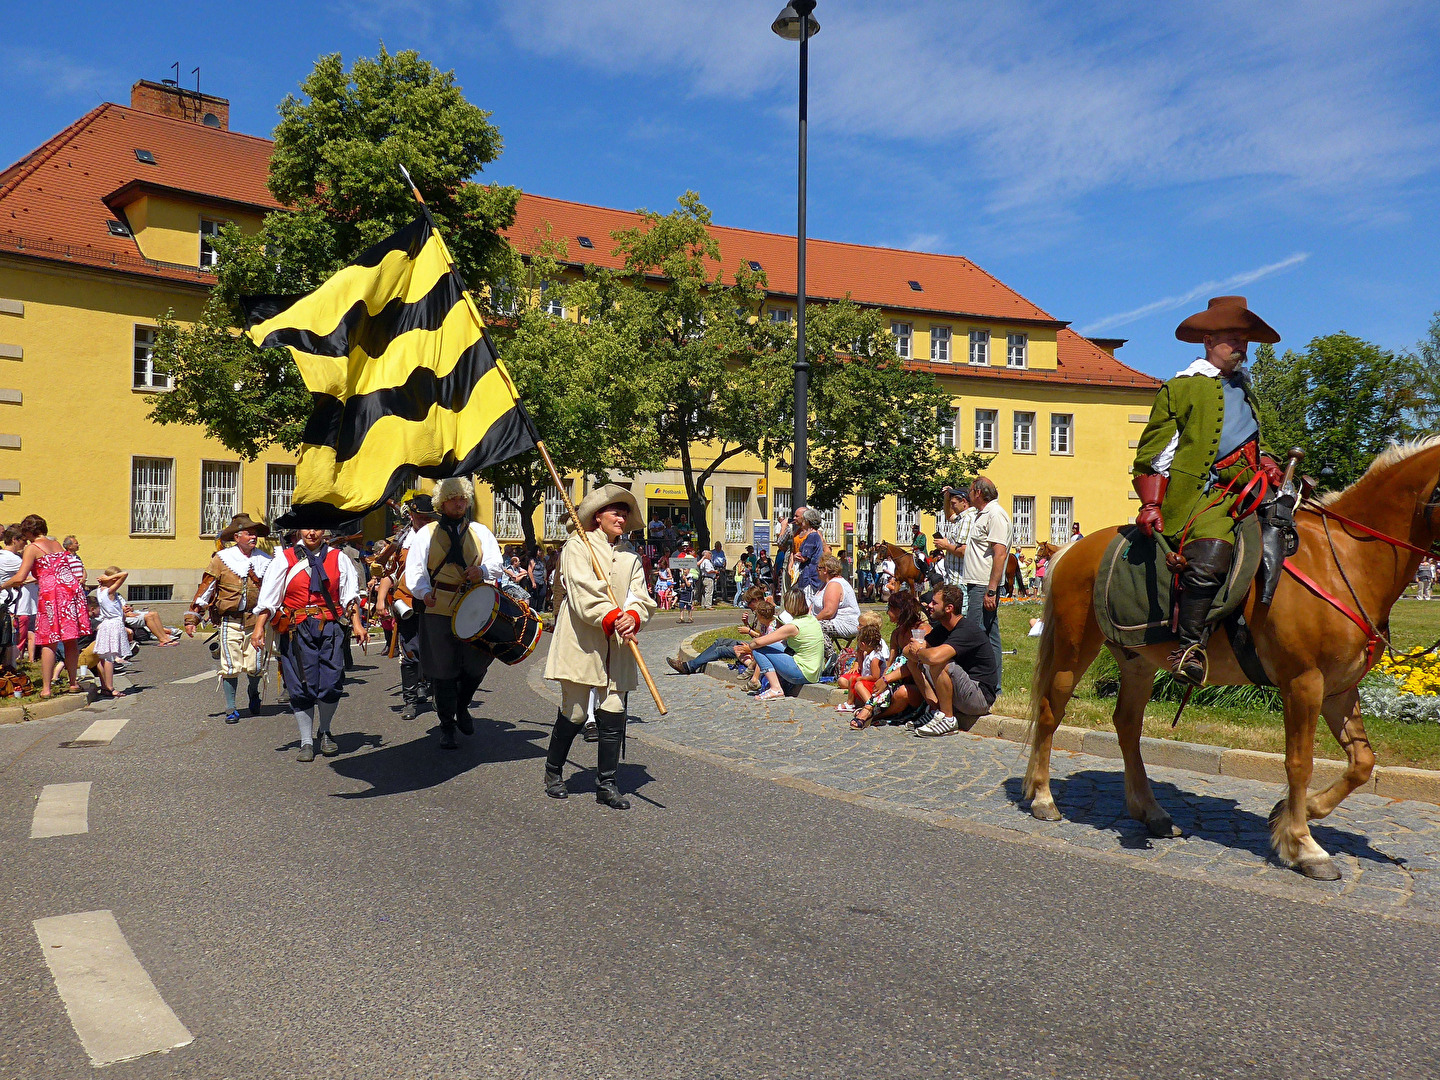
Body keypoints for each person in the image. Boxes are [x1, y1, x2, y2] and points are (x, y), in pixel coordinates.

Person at [1132, 295, 1285, 685]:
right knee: (1213, 551)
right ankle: (1188, 648)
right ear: (1208, 341)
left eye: (1244, 340)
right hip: (1208, 493)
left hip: (1254, 487)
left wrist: (1265, 460)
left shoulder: (1245, 389)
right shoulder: (1181, 387)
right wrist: (1151, 502)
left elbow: (1247, 441)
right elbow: (1154, 452)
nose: (1240, 347)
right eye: (1232, 338)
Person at [542, 484, 656, 809]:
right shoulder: (576, 546)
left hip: (618, 643)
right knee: (576, 712)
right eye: (614, 511)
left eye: (624, 511)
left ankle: (607, 784)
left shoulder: (631, 555)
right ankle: (553, 772)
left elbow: (640, 595)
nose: (621, 516)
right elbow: (582, 592)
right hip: (581, 640)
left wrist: (633, 616)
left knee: (614, 710)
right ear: (597, 516)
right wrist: (610, 616)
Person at [403, 476, 504, 750]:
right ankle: (447, 725)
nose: (459, 504)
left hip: (474, 604)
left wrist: (481, 571)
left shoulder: (480, 532)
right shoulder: (427, 533)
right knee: (444, 669)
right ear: (442, 502)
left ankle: (462, 706)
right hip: (440, 604)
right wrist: (424, 593)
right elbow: (414, 571)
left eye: (463, 498)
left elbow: (496, 563)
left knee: (476, 663)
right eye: (453, 499)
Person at [253, 525, 365, 762]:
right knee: (301, 684)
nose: (311, 533)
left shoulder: (338, 557)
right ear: (299, 532)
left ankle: (325, 731)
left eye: (317, 529)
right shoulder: (285, 558)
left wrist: (357, 624)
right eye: (306, 529)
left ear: (324, 531)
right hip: (297, 628)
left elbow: (349, 595)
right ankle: (306, 740)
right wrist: (259, 627)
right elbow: (269, 597)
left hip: (330, 627)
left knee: (332, 682)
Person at [184, 513, 273, 723]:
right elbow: (205, 590)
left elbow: (275, 592)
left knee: (255, 667)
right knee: (230, 667)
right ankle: (231, 707)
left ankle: (254, 694)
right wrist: (192, 619)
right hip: (229, 620)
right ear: (237, 537)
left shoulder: (267, 561)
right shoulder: (221, 560)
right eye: (249, 533)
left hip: (256, 621)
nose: (253, 537)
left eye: (255, 534)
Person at [0, 515, 90, 698]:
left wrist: (2, 585)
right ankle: (73, 683)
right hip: (71, 590)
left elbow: (20, 576)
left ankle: (46, 689)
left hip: (52, 595)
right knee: (70, 639)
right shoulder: (56, 543)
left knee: (49, 641)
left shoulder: (32, 548)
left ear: (28, 531)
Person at [374, 493, 437, 720]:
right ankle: (410, 701)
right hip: (407, 602)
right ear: (411, 516)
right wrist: (381, 600)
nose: (426, 522)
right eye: (421, 518)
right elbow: (390, 575)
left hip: (436, 604)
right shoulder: (401, 544)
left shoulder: (440, 539)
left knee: (436, 651)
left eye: (429, 518)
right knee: (410, 653)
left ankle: (436, 694)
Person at [910, 584, 1001, 736]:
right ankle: (934, 709)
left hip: (979, 698)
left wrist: (919, 651)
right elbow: (908, 652)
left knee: (938, 663)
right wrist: (917, 651)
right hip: (963, 693)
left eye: (935, 603)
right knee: (917, 662)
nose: (929, 605)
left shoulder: (966, 630)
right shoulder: (943, 628)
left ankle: (948, 719)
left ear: (949, 608)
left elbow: (933, 657)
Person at [848, 592, 933, 730]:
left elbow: (915, 664)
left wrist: (886, 679)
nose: (887, 612)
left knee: (902, 682)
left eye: (890, 608)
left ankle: (872, 713)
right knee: (893, 681)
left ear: (900, 611)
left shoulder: (923, 630)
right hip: (896, 684)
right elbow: (890, 664)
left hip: (920, 684)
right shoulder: (897, 634)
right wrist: (884, 678)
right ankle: (871, 711)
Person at [734, 590, 824, 701]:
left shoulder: (792, 626)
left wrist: (751, 646)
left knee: (758, 649)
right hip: (815, 672)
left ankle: (775, 688)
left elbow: (759, 642)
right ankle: (757, 678)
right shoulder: (812, 620)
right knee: (769, 646)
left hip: (803, 673)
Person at [961, 477, 1011, 678]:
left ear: (978, 493)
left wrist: (991, 589)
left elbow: (1000, 553)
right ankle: (992, 683)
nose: (968, 494)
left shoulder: (996, 515)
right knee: (990, 636)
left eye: (970, 490)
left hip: (983, 585)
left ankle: (979, 680)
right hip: (978, 583)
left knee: (975, 633)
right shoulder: (982, 514)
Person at [809, 554, 861, 651]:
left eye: (818, 568)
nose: (816, 571)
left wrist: (811, 621)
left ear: (825, 570)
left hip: (844, 623)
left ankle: (831, 660)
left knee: (815, 628)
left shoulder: (834, 584)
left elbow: (829, 612)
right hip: (831, 622)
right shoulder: (825, 583)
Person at [92, 566, 130, 699]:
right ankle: (110, 687)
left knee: (103, 657)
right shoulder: (110, 591)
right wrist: (110, 578)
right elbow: (125, 574)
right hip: (113, 624)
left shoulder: (99, 590)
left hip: (105, 624)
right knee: (109, 658)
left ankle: (104, 686)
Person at [0, 524, 33, 667]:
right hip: (3, 604)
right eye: (24, 540)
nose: (26, 544)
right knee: (6, 641)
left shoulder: (2, 555)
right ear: (15, 539)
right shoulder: (13, 559)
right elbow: (31, 576)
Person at [837, 622, 885, 713]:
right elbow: (864, 670)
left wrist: (861, 678)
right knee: (852, 679)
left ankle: (871, 706)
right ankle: (850, 703)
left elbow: (875, 676)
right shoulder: (868, 654)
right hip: (868, 680)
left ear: (862, 644)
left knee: (858, 684)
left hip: (876, 684)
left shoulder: (875, 658)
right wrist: (860, 655)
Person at [933, 487, 975, 590]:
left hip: (961, 581)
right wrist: (946, 498)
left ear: (964, 502)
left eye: (954, 503)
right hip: (954, 579)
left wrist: (946, 545)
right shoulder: (961, 518)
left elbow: (963, 551)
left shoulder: (967, 519)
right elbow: (949, 515)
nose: (951, 506)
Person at [792, 508, 824, 602]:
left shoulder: (811, 536)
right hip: (814, 575)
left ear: (808, 521)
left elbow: (803, 558)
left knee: (807, 602)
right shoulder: (816, 535)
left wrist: (795, 556)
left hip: (809, 577)